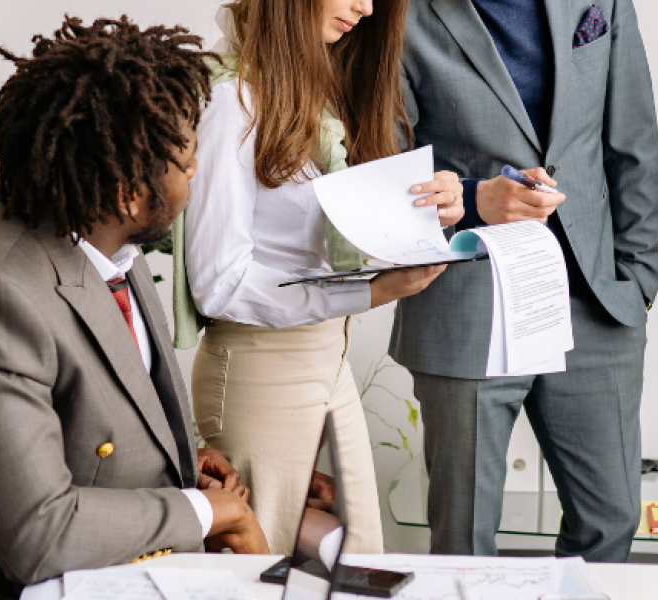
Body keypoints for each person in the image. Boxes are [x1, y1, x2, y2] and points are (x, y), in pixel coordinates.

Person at [0, 17, 267, 597]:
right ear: (127, 192)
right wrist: (206, 514)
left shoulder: (101, 226)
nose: (198, 176)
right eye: (188, 166)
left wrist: (182, 467)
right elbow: (35, 533)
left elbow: (101, 401)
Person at [177, 0, 467, 556]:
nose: (367, 7)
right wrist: (371, 291)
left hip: (324, 360)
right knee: (261, 578)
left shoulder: (318, 93)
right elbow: (218, 283)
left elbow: (318, 239)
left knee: (360, 560)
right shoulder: (231, 101)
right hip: (260, 368)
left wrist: (430, 207)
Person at [392, 0, 658, 562]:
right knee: (465, 541)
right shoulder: (401, 14)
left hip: (593, 300)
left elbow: (633, 142)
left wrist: (638, 279)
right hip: (468, 302)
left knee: (611, 520)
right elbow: (381, 164)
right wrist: (473, 198)